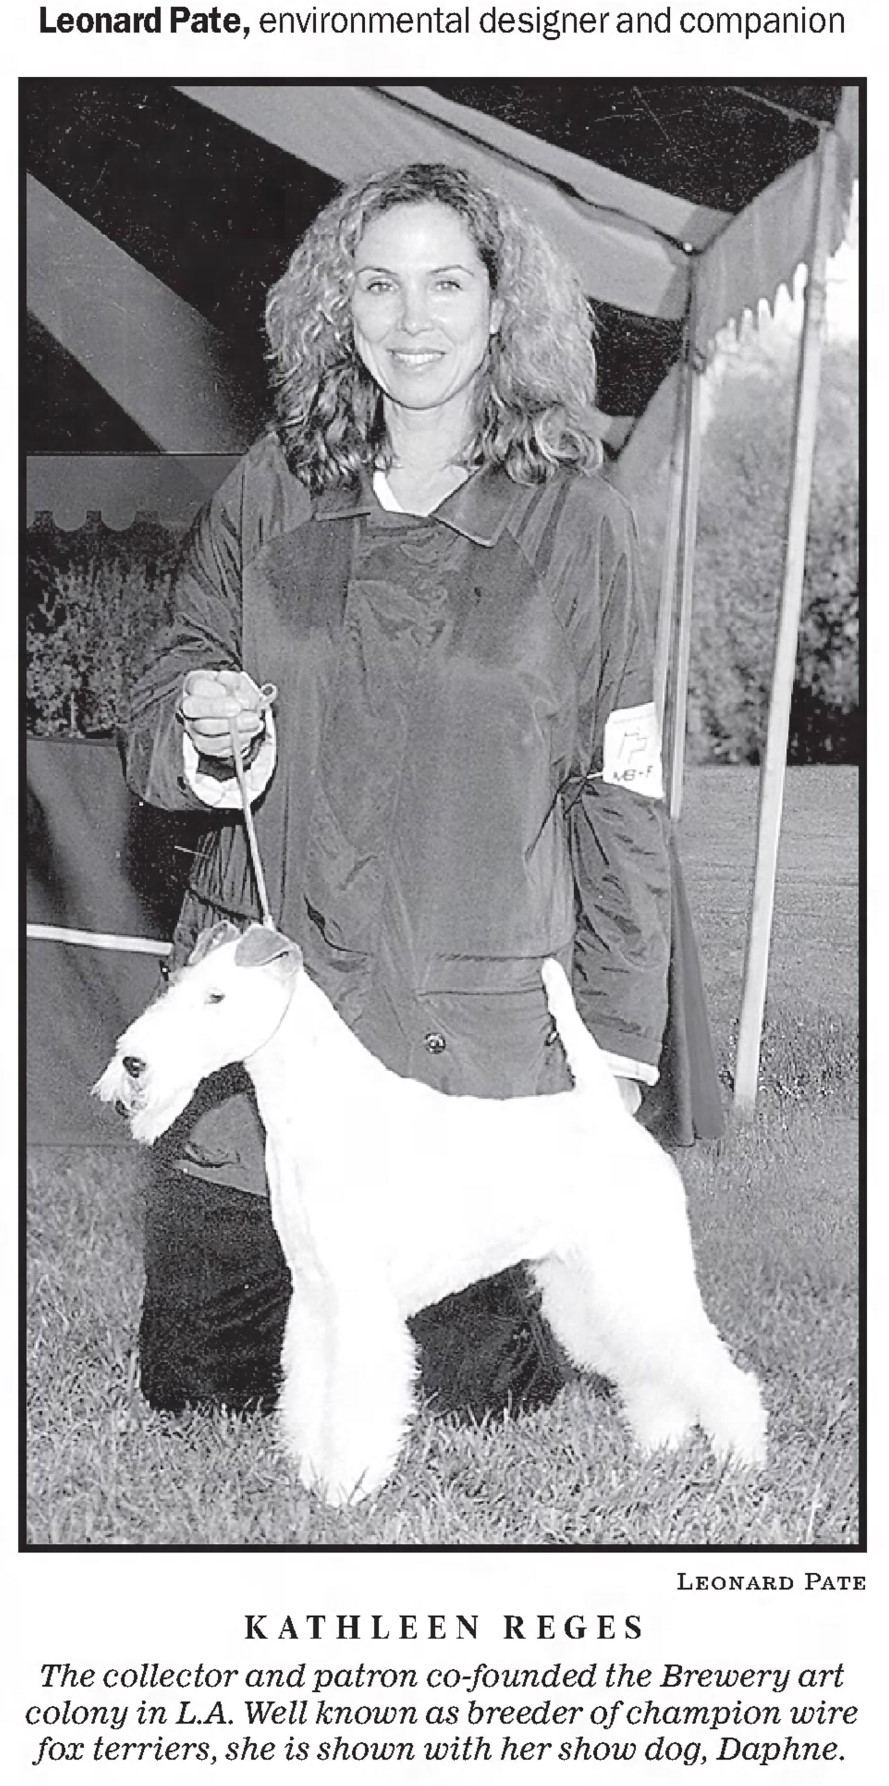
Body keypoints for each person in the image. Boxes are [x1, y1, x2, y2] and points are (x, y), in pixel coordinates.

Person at [124, 159, 719, 1425]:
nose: (411, 321)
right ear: (337, 309)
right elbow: (166, 686)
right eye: (377, 286)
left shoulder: (583, 524)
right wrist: (199, 721)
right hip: (272, 1061)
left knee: (465, 1397)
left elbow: (620, 797)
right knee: (198, 1386)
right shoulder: (268, 487)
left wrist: (614, 1055)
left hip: (469, 1061)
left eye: (446, 284)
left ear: (501, 307)